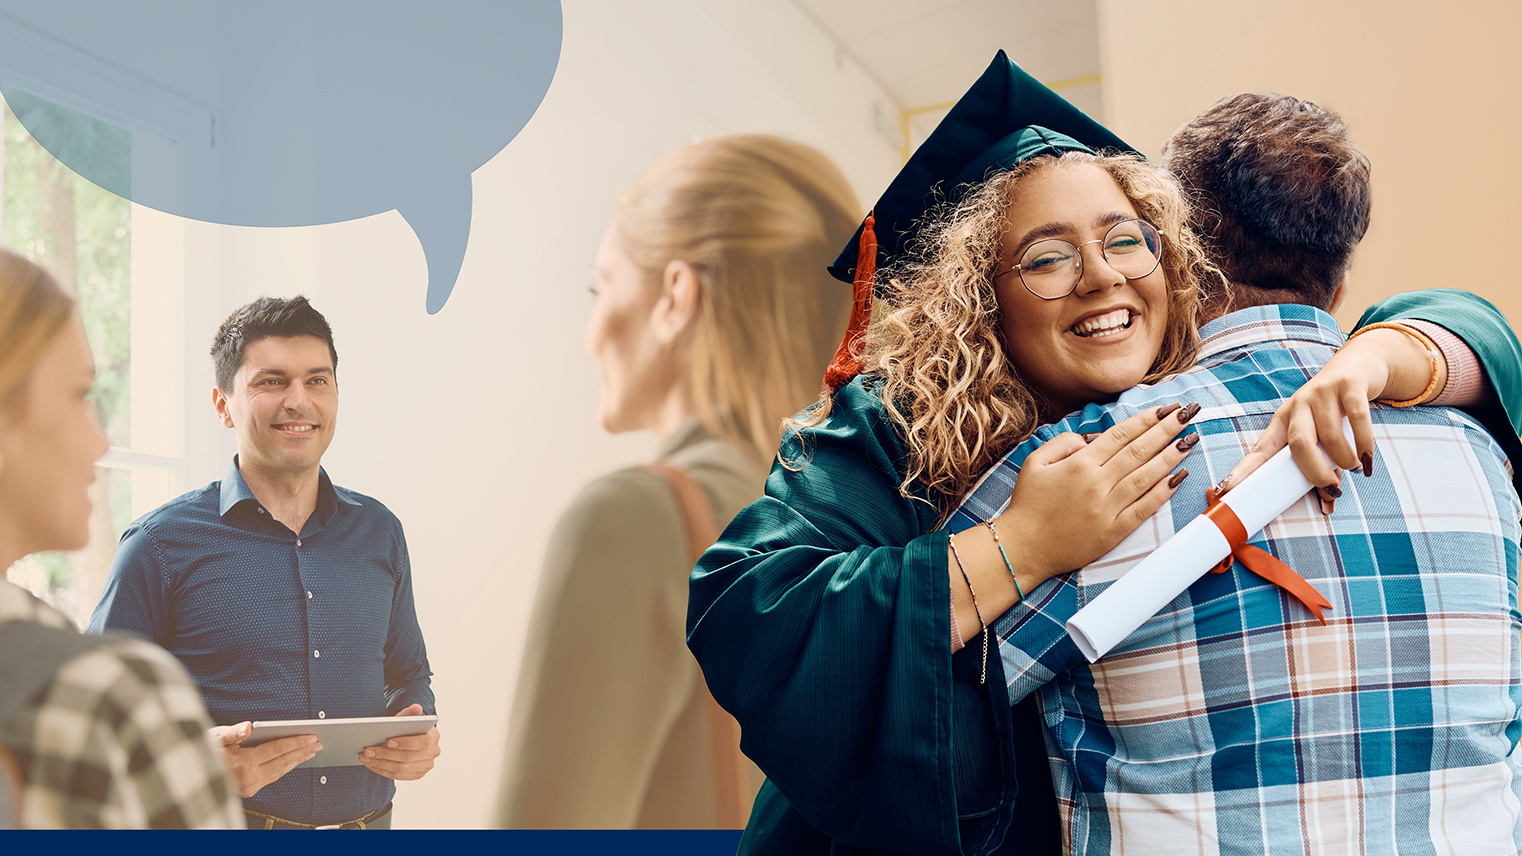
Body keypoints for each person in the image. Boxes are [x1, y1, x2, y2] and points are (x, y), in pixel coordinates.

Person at [686, 54, 1522, 856]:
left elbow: (1453, 323)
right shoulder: (893, 430)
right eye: (1046, 258)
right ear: (980, 300)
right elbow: (754, 613)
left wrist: (1376, 357)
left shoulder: (1190, 408)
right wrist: (1019, 546)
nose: (1099, 276)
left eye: (1126, 240)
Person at [941, 91, 1521, 853]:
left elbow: (907, 702)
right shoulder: (1480, 449)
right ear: (1340, 283)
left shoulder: (1094, 463)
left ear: (1176, 254)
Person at [496, 134, 858, 829]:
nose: (593, 328)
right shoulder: (875, 528)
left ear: (675, 297)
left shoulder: (638, 522)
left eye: (601, 286)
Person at [88, 296, 439, 830]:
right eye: (271, 382)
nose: (299, 401)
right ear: (223, 404)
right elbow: (93, 716)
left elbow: (407, 674)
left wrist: (414, 727)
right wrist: (191, 759)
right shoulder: (159, 544)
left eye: (317, 381)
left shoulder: (380, 531)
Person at [0, 248, 242, 829]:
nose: (101, 442)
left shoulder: (379, 531)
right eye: (80, 393)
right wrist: (168, 760)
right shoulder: (116, 700)